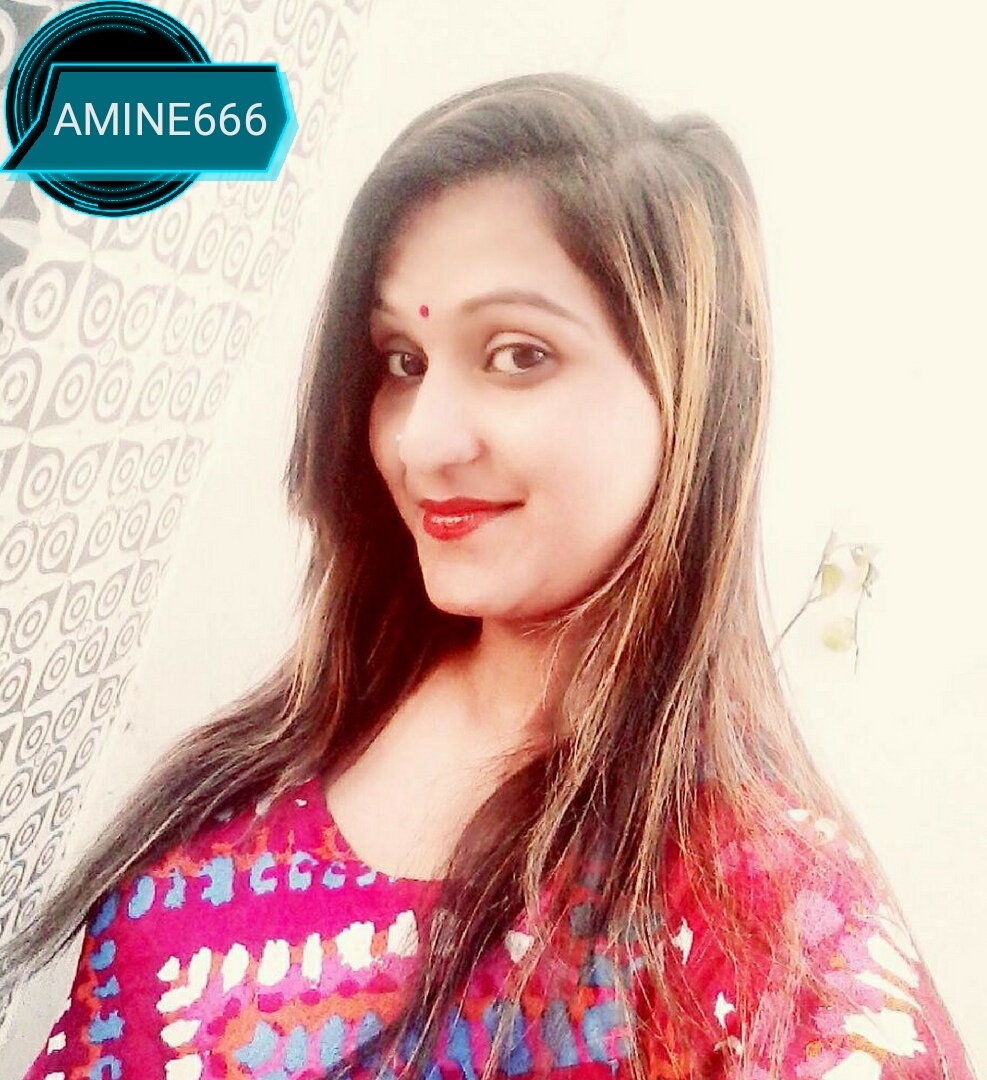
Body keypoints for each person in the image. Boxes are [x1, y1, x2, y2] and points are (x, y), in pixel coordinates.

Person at [3, 73, 974, 1080]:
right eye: (401, 359)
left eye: (517, 354)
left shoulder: (769, 924)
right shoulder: (321, 711)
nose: (421, 443)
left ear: (690, 391)